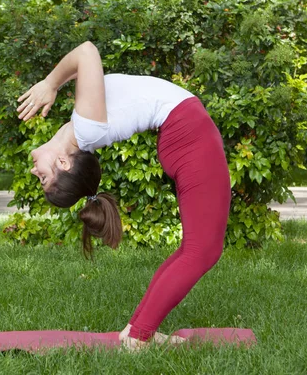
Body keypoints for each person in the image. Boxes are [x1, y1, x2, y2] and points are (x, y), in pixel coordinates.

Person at [17, 41, 231, 351]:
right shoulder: (87, 127)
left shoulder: (83, 128)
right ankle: (138, 337)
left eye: (41, 180)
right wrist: (49, 84)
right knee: (202, 251)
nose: (36, 174)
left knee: (197, 249)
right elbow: (87, 51)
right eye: (44, 178)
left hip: (185, 133)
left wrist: (52, 84)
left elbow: (84, 60)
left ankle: (137, 329)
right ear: (63, 163)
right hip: (190, 134)